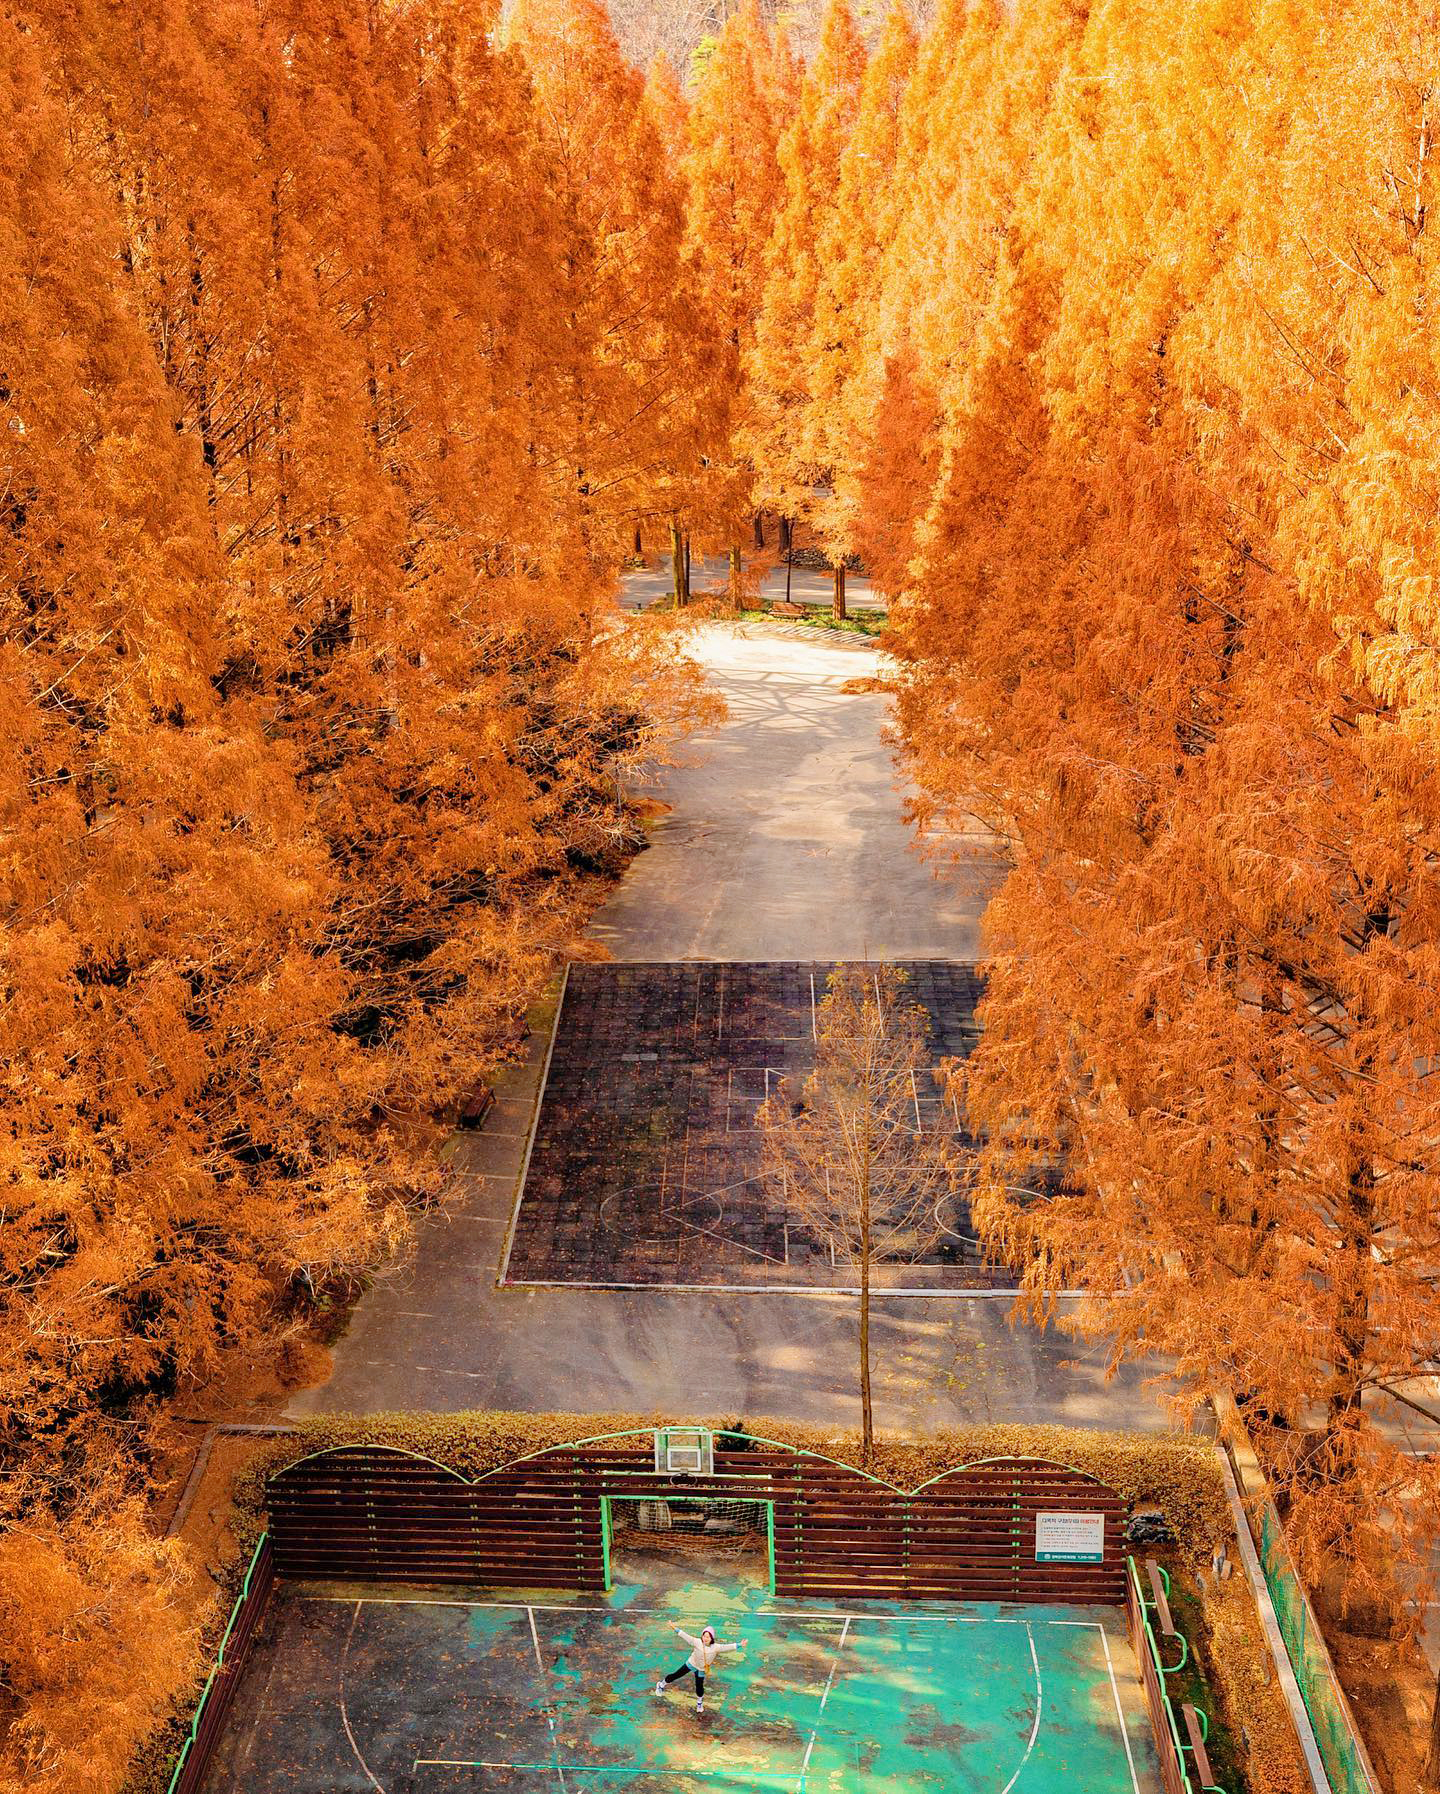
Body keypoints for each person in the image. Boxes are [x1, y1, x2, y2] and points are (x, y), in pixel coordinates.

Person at [653, 1622, 747, 1715]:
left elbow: (727, 1647)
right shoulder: (697, 1642)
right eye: (704, 1636)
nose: (705, 1638)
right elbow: (685, 1636)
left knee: (699, 1686)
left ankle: (699, 1702)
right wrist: (674, 1628)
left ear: (711, 1638)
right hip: (691, 1664)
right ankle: (661, 1684)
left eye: (708, 1637)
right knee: (676, 1675)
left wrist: (739, 1644)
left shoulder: (716, 1647)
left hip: (701, 1669)